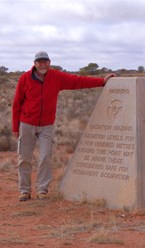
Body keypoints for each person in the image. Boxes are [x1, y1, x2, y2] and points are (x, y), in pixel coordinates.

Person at [12, 51, 115, 201]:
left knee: (45, 157)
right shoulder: (25, 79)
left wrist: (101, 81)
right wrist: (16, 127)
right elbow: (16, 104)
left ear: (49, 62)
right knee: (24, 158)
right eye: (39, 62)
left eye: (45, 61)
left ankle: (42, 190)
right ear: (34, 64)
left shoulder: (56, 77)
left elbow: (78, 81)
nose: (42, 64)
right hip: (27, 124)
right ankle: (24, 190)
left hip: (46, 125)